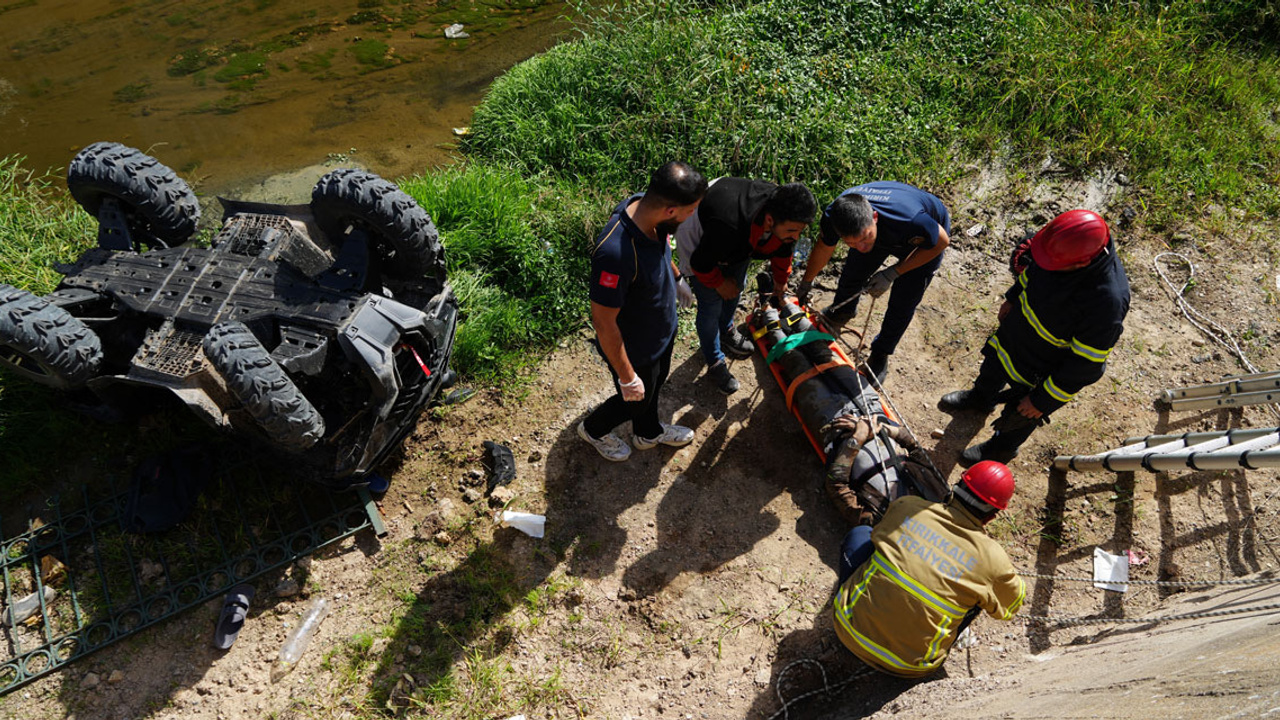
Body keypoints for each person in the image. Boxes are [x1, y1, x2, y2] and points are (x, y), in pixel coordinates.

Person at [938, 209, 1131, 466]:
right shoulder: (1060, 249)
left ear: (1081, 263)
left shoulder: (1107, 302)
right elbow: (1034, 270)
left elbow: (1085, 365)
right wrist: (1013, 296)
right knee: (992, 367)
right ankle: (979, 400)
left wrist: (1042, 400)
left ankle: (1000, 448)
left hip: (1041, 368)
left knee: (1020, 414)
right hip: (1014, 336)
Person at [832, 460, 1026, 678]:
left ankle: (858, 607)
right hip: (910, 666)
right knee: (982, 597)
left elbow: (877, 536)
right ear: (992, 515)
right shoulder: (992, 559)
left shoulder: (908, 507)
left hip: (847, 630)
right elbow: (1011, 606)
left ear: (956, 487)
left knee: (861, 536)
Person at [578, 161, 708, 462]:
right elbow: (604, 323)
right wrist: (626, 376)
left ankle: (647, 432)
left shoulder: (650, 211)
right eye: (691, 211)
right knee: (633, 399)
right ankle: (593, 429)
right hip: (636, 347)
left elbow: (662, 247)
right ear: (671, 211)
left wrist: (675, 278)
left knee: (655, 385)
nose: (692, 217)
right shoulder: (615, 255)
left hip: (660, 332)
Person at [796, 182, 951, 383]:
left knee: (904, 300)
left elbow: (941, 242)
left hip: (924, 240)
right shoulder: (837, 216)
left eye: (864, 239)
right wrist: (806, 282)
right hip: (883, 232)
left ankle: (881, 353)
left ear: (874, 218)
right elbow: (824, 248)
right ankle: (843, 310)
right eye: (851, 243)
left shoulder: (911, 220)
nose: (860, 247)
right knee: (853, 272)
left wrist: (893, 272)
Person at [675, 178, 817, 394]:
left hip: (737, 236)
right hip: (701, 238)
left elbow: (782, 249)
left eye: (799, 231)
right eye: (792, 230)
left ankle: (727, 330)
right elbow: (701, 263)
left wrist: (781, 280)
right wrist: (720, 283)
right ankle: (714, 361)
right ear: (770, 221)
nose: (796, 236)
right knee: (711, 305)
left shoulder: (781, 215)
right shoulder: (728, 224)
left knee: (737, 287)